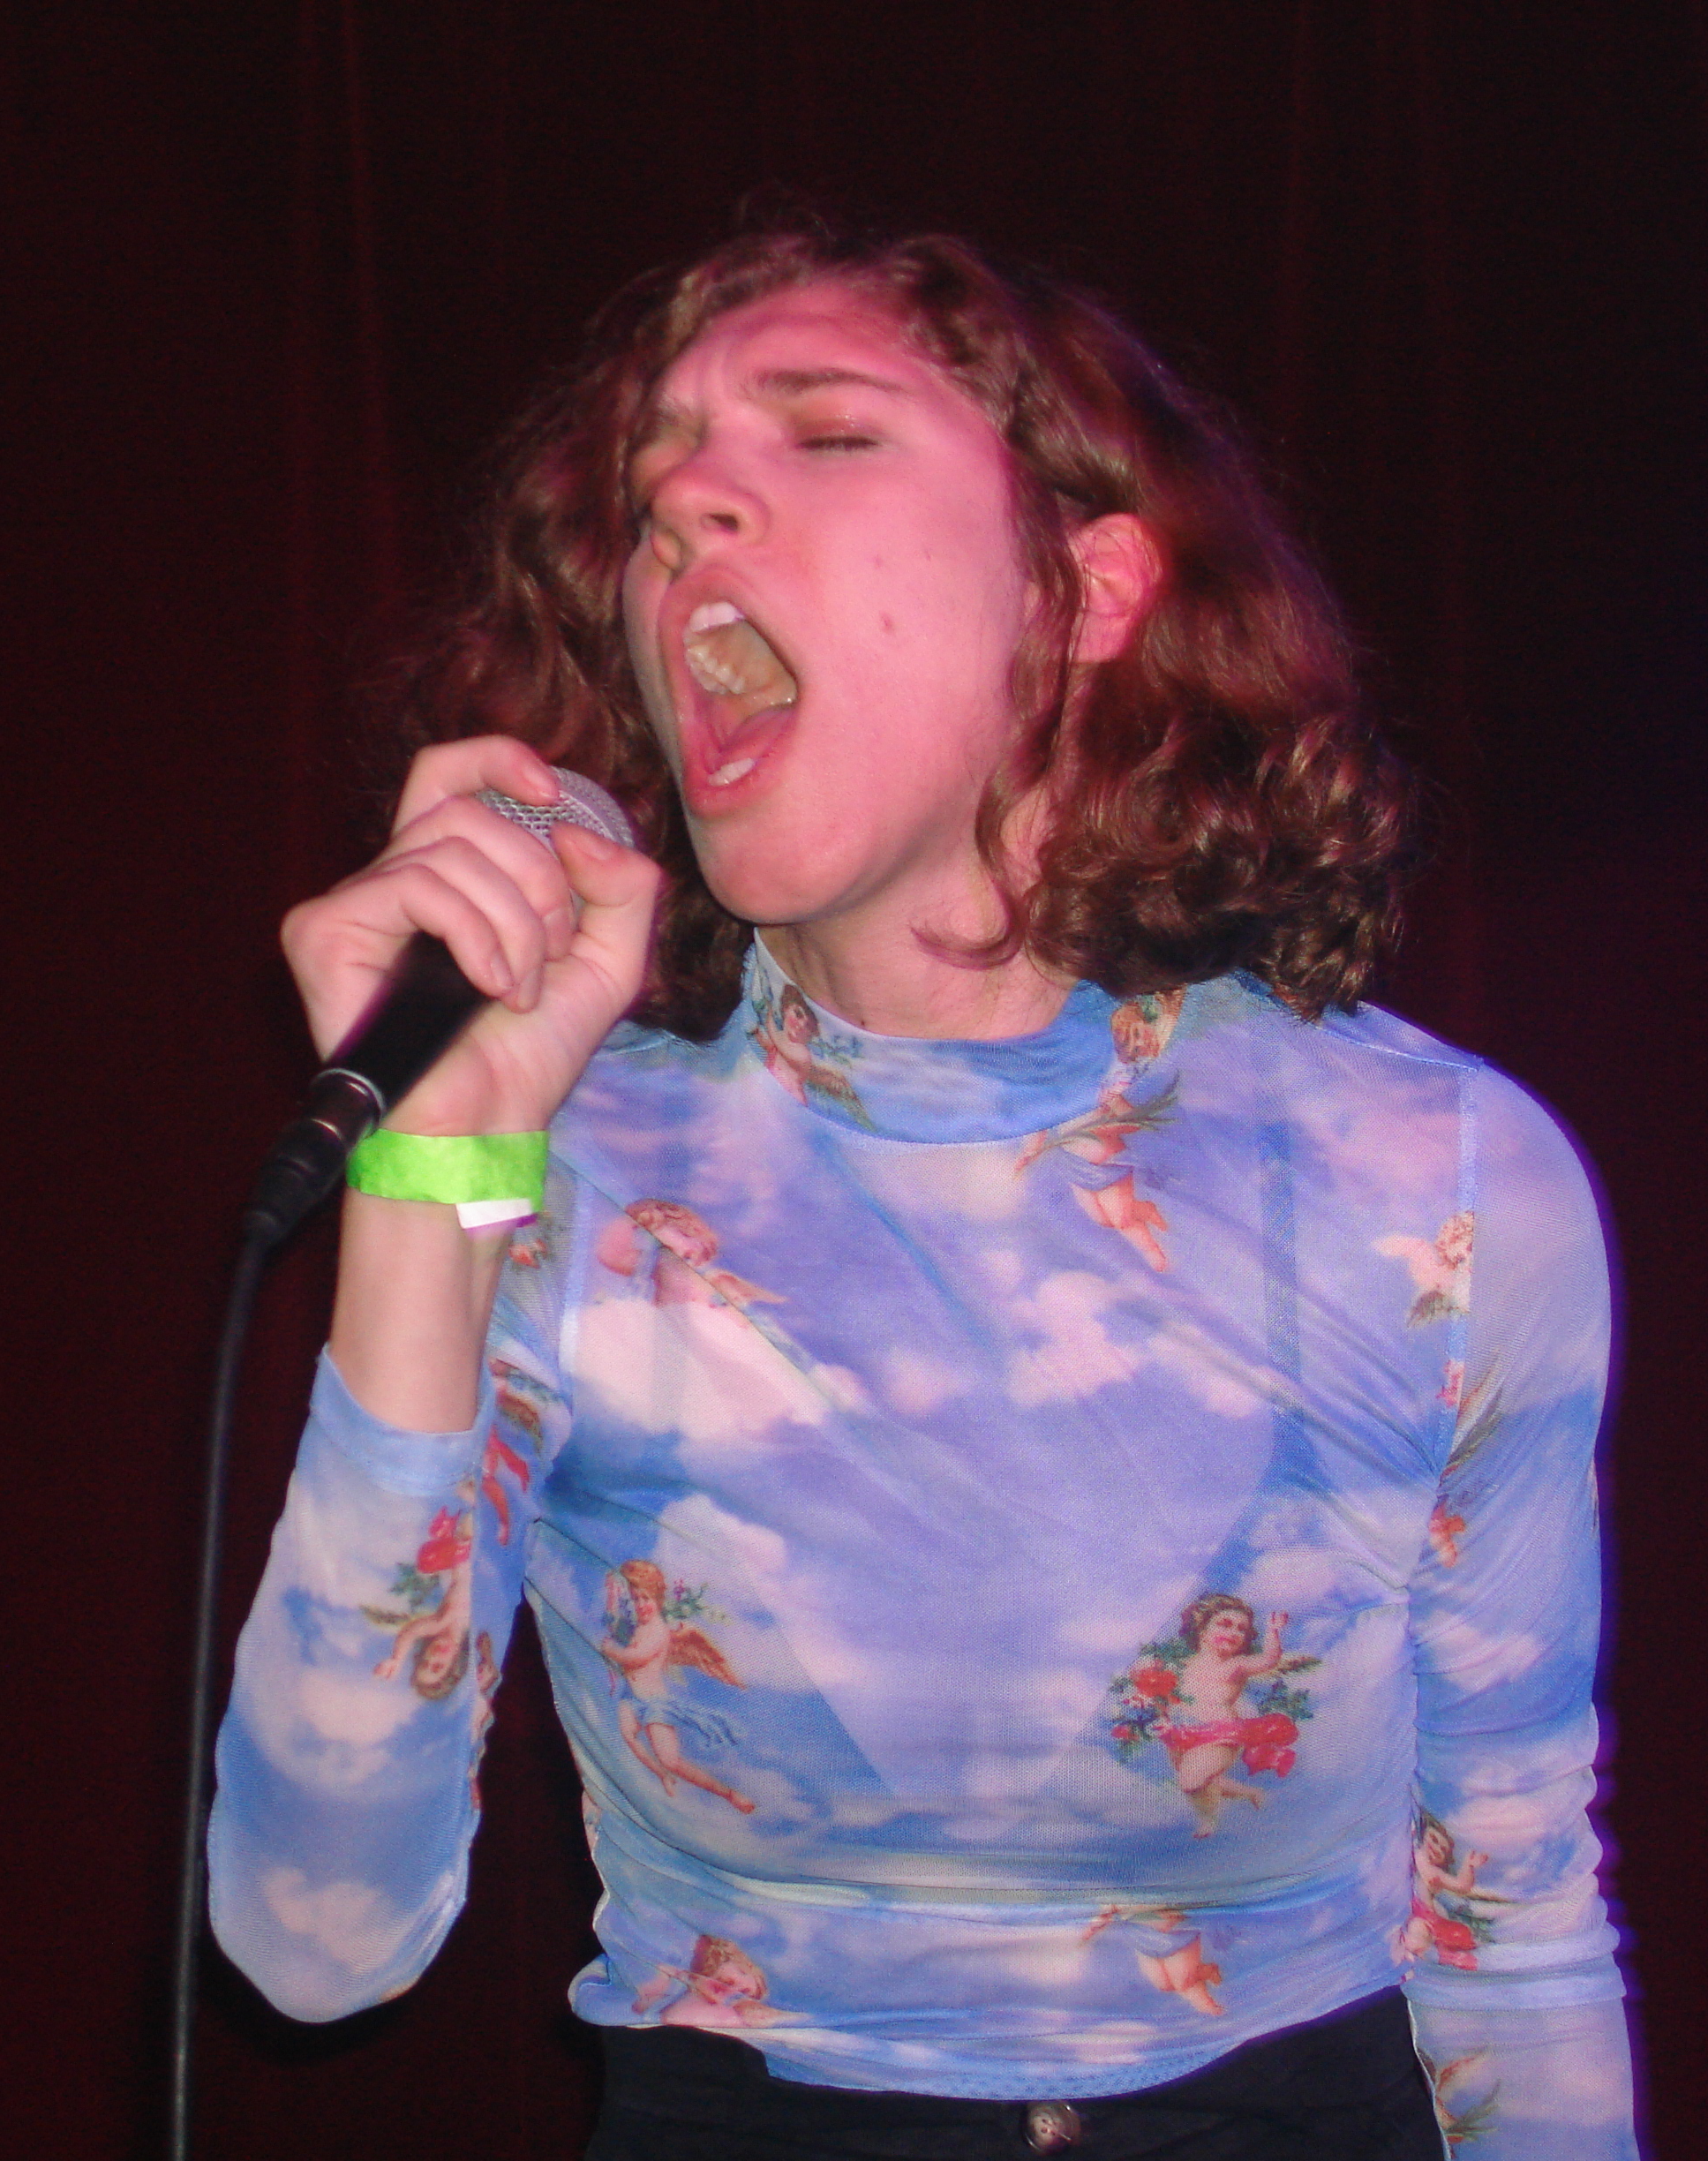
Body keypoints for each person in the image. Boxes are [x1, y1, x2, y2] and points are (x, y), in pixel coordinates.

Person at [209, 222, 1636, 2158]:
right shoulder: (564, 1172)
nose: (686, 505)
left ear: (1088, 588)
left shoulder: (1434, 1186)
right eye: (656, 484)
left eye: (827, 436)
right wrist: (433, 1166)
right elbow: (312, 1949)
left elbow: (1514, 1918)